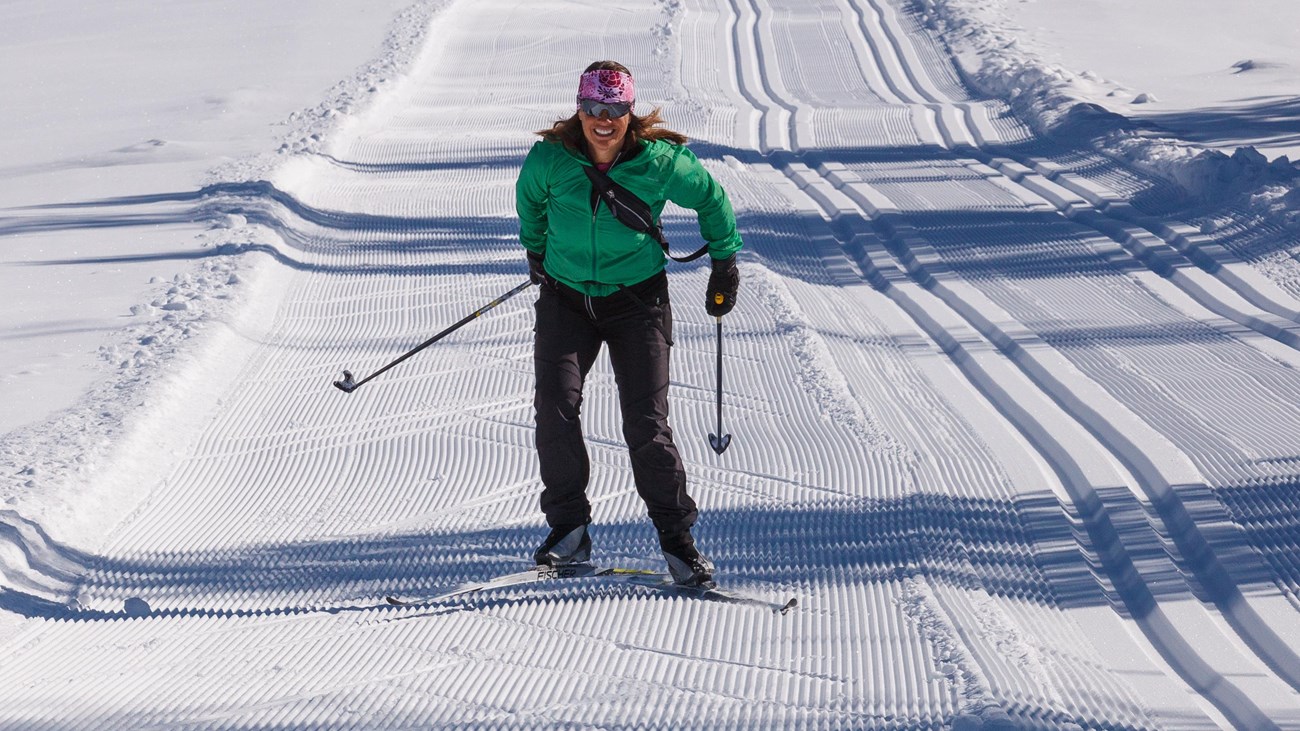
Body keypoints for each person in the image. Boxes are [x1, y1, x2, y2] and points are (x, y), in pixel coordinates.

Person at [515, 61, 742, 587]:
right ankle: (568, 531)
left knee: (646, 423)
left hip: (636, 302)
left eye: (614, 109)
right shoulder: (551, 158)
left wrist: (725, 263)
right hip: (566, 300)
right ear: (579, 108)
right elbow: (530, 205)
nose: (603, 119)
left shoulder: (659, 163)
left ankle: (679, 544)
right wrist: (537, 253)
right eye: (593, 107)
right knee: (554, 408)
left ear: (629, 112)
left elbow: (711, 199)